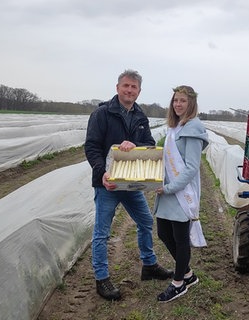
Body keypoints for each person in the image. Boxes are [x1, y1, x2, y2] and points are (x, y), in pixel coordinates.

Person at [84, 69, 173, 301]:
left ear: (139, 91)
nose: (129, 90)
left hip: (131, 182)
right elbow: (91, 146)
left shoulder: (140, 117)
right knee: (102, 232)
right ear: (117, 88)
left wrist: (133, 144)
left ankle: (149, 265)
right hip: (108, 185)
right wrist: (102, 173)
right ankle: (101, 278)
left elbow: (149, 144)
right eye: (126, 86)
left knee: (145, 221)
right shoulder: (102, 114)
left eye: (134, 87)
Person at [154, 85, 209, 303]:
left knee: (180, 239)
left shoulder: (193, 127)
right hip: (167, 190)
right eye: (176, 100)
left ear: (191, 103)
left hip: (180, 192)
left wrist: (169, 187)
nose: (178, 104)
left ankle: (178, 284)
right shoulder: (174, 126)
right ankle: (188, 274)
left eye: (183, 101)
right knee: (163, 234)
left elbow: (191, 167)